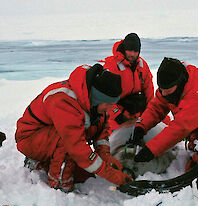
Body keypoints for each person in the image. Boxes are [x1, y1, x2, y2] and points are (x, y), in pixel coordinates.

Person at [15, 64, 132, 192]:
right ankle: (59, 185)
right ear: (98, 98)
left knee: (86, 175)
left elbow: (101, 131)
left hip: (56, 137)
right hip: (30, 139)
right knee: (68, 146)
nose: (110, 109)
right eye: (108, 104)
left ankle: (45, 164)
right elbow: (75, 146)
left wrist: (105, 156)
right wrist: (111, 174)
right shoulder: (63, 100)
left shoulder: (93, 102)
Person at [131, 57, 198, 165]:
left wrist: (151, 150)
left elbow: (179, 128)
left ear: (179, 84)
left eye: (166, 91)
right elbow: (157, 107)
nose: (163, 94)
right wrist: (141, 126)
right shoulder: (171, 84)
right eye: (161, 89)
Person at [101, 33, 155, 132]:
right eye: (130, 50)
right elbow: (104, 98)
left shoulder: (142, 65)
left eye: (135, 51)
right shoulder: (112, 67)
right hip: (117, 112)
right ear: (124, 49)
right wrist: (118, 116)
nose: (132, 54)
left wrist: (149, 113)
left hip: (138, 111)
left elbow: (149, 92)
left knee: (160, 125)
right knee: (114, 136)